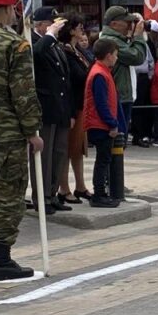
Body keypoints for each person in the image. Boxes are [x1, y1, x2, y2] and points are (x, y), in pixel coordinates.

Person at [0, 0, 43, 282]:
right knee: (8, 195)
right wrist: (32, 131)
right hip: (6, 132)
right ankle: (0, 259)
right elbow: (22, 93)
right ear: (9, 10)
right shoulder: (15, 44)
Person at [29, 7, 73, 214]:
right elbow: (36, 54)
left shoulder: (54, 44)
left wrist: (70, 111)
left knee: (59, 152)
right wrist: (48, 35)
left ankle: (52, 194)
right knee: (44, 156)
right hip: (44, 107)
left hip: (60, 107)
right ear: (40, 24)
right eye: (50, 23)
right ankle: (41, 197)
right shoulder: (33, 41)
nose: (55, 27)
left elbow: (65, 79)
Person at [82, 39, 127, 208]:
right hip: (100, 125)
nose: (116, 58)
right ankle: (99, 194)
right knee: (103, 160)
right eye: (115, 55)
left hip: (101, 123)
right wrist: (111, 123)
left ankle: (101, 192)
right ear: (108, 56)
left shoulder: (101, 71)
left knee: (104, 159)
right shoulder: (99, 74)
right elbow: (101, 103)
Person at [56, 16, 92, 204]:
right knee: (67, 149)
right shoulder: (64, 51)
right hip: (71, 106)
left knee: (78, 149)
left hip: (81, 105)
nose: (82, 30)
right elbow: (67, 84)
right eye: (79, 27)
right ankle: (64, 189)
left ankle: (80, 186)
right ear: (70, 30)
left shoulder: (78, 50)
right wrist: (69, 112)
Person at [98, 6, 148, 136]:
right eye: (127, 22)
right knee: (118, 141)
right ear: (113, 24)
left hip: (122, 95)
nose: (130, 25)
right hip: (118, 96)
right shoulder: (111, 41)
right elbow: (137, 57)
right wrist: (137, 37)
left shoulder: (118, 39)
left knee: (120, 141)